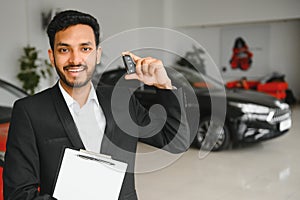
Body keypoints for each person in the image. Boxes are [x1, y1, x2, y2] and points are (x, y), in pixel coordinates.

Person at [3, 10, 189, 200]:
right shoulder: (29, 111)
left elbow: (176, 142)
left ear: (97, 54)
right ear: (52, 56)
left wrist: (164, 86)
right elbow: (18, 193)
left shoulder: (122, 101)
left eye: (85, 49)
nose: (75, 60)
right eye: (64, 50)